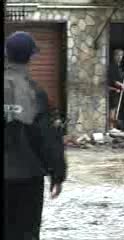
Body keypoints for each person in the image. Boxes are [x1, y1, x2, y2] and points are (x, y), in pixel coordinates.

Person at [4, 31, 67, 240]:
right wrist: (57, 174)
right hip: (27, 178)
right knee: (26, 233)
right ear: (31, 57)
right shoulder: (36, 93)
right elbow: (48, 138)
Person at [107, 48, 124, 133]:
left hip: (118, 91)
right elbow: (112, 79)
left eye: (121, 55)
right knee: (112, 108)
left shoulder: (119, 67)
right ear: (114, 56)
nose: (120, 57)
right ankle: (111, 127)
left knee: (115, 108)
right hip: (112, 90)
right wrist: (119, 84)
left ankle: (113, 126)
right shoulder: (112, 66)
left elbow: (120, 77)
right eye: (118, 55)